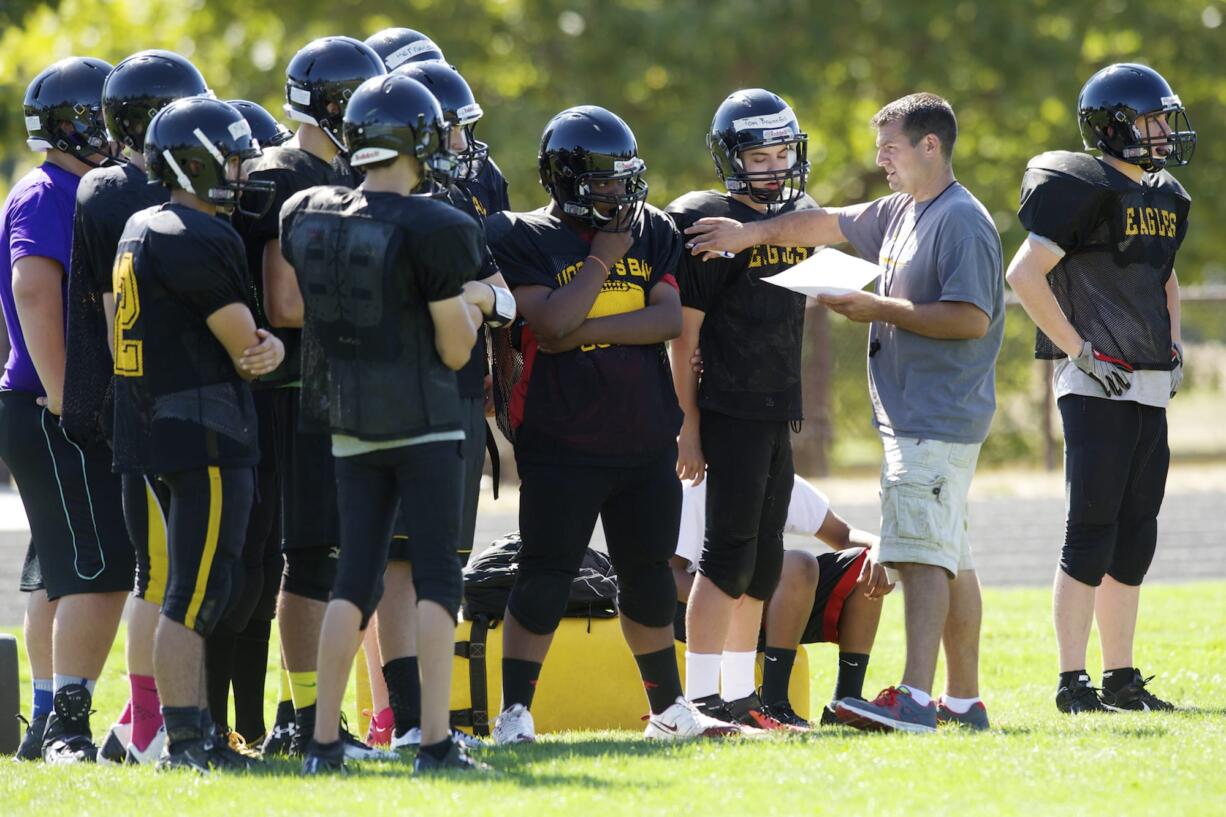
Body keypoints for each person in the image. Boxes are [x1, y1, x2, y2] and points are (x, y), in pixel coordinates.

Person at [685, 92, 1003, 733]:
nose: (880, 159)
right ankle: (963, 700)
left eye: (890, 147)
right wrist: (750, 233)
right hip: (907, 413)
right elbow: (822, 222)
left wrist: (877, 309)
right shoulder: (903, 209)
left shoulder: (959, 219)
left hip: (933, 415)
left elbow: (971, 318)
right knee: (950, 553)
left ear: (929, 146)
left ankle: (915, 697)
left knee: (920, 557)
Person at [486, 105, 738, 744]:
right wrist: (601, 261)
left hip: (643, 435)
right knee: (544, 574)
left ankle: (667, 709)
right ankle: (515, 713)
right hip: (561, 435)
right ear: (565, 179)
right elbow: (546, 322)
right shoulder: (522, 235)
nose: (617, 193)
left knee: (649, 578)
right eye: (601, 181)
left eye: (624, 179)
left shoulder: (649, 228)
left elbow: (665, 321)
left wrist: (584, 329)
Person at [281, 73, 492, 774]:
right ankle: (432, 740)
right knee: (437, 580)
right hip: (424, 420)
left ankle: (321, 743)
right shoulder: (440, 225)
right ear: (418, 141)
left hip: (347, 421)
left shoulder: (306, 211)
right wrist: (476, 301)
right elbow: (455, 346)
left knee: (355, 581)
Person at [1005, 63, 1195, 714]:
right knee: (1090, 528)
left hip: (1146, 379)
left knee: (1135, 533)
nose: (1164, 131)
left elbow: (1164, 278)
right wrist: (1080, 350)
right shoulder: (1080, 187)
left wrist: (1171, 345)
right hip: (1094, 382)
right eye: (1151, 119)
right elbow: (1025, 274)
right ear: (1114, 126)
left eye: (1165, 119)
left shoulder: (1166, 194)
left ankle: (1121, 676)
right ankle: (1071, 680)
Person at [110, 96, 284, 771]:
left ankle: (188, 731)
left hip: (155, 427)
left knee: (184, 584)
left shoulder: (141, 225)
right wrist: (265, 349)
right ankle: (188, 740)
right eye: (234, 157)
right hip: (203, 431)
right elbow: (247, 345)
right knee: (198, 590)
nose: (242, 169)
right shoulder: (196, 233)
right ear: (196, 160)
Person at [229, 35, 386, 759]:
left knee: (320, 555)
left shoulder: (331, 170)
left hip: (320, 385)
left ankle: (304, 714)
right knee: (306, 554)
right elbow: (282, 299)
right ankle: (303, 717)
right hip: (287, 389)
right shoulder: (285, 173)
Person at [63, 48, 211, 766]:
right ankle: (151, 720)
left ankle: (135, 719)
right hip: (156, 393)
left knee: (164, 567)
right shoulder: (131, 193)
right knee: (163, 569)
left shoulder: (99, 188)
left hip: (133, 392)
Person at [367, 57, 514, 754]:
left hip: (381, 399)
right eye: (449, 132)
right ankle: (410, 714)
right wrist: (476, 299)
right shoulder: (419, 214)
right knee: (401, 567)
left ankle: (409, 714)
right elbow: (493, 302)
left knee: (405, 566)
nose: (462, 146)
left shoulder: (339, 206)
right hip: (423, 392)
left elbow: (503, 294)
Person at [666, 88, 821, 731]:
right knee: (724, 554)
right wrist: (689, 426)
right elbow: (684, 337)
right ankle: (701, 698)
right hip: (726, 406)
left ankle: (739, 695)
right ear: (732, 159)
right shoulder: (708, 220)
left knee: (762, 558)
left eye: (784, 150)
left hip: (774, 405)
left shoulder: (793, 220)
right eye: (761, 155)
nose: (776, 165)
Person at [0, 56, 136, 764]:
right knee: (101, 565)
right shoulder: (49, 192)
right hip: (50, 403)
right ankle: (67, 726)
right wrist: (64, 393)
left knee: (58, 568)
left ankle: (46, 718)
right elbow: (31, 287)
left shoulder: (69, 187)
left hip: (44, 403)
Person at [671, 474, 892, 727]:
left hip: (767, 609)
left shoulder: (779, 476)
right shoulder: (701, 487)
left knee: (867, 564)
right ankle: (774, 704)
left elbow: (843, 534)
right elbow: (670, 573)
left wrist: (878, 546)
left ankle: (846, 702)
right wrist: (734, 603)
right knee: (798, 564)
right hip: (704, 618)